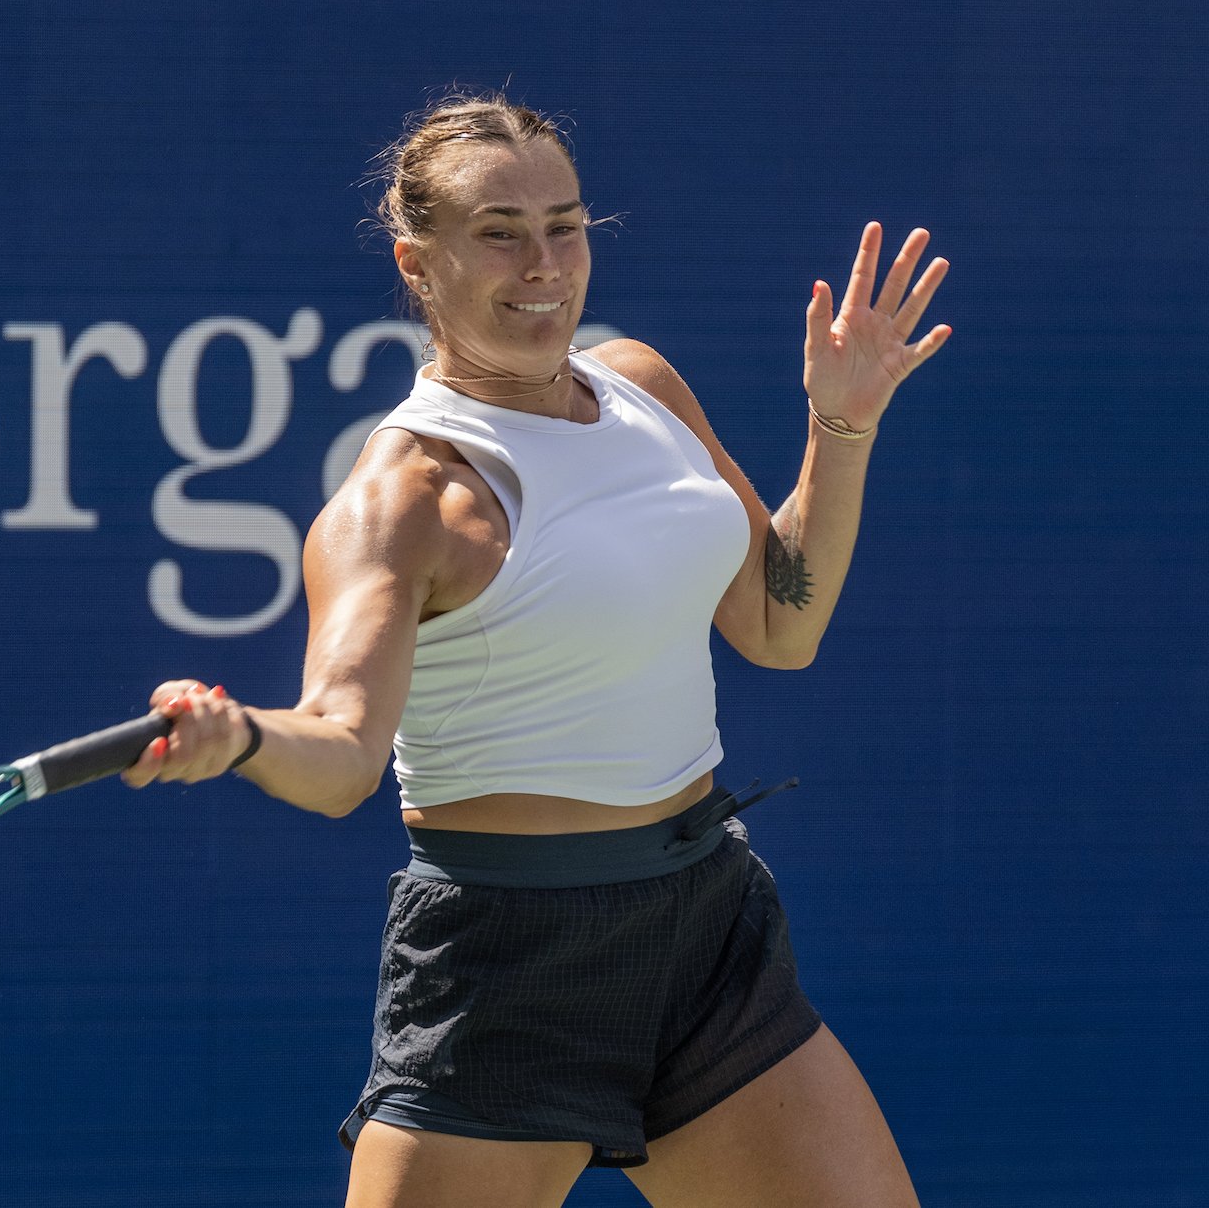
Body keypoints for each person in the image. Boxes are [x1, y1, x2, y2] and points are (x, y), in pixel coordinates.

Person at [121, 91, 949, 1208]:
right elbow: (341, 749)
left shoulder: (641, 385)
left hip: (704, 930)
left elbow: (777, 623)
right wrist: (242, 737)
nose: (543, 261)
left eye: (563, 224)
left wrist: (838, 427)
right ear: (418, 265)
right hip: (506, 970)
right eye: (498, 231)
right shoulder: (404, 499)